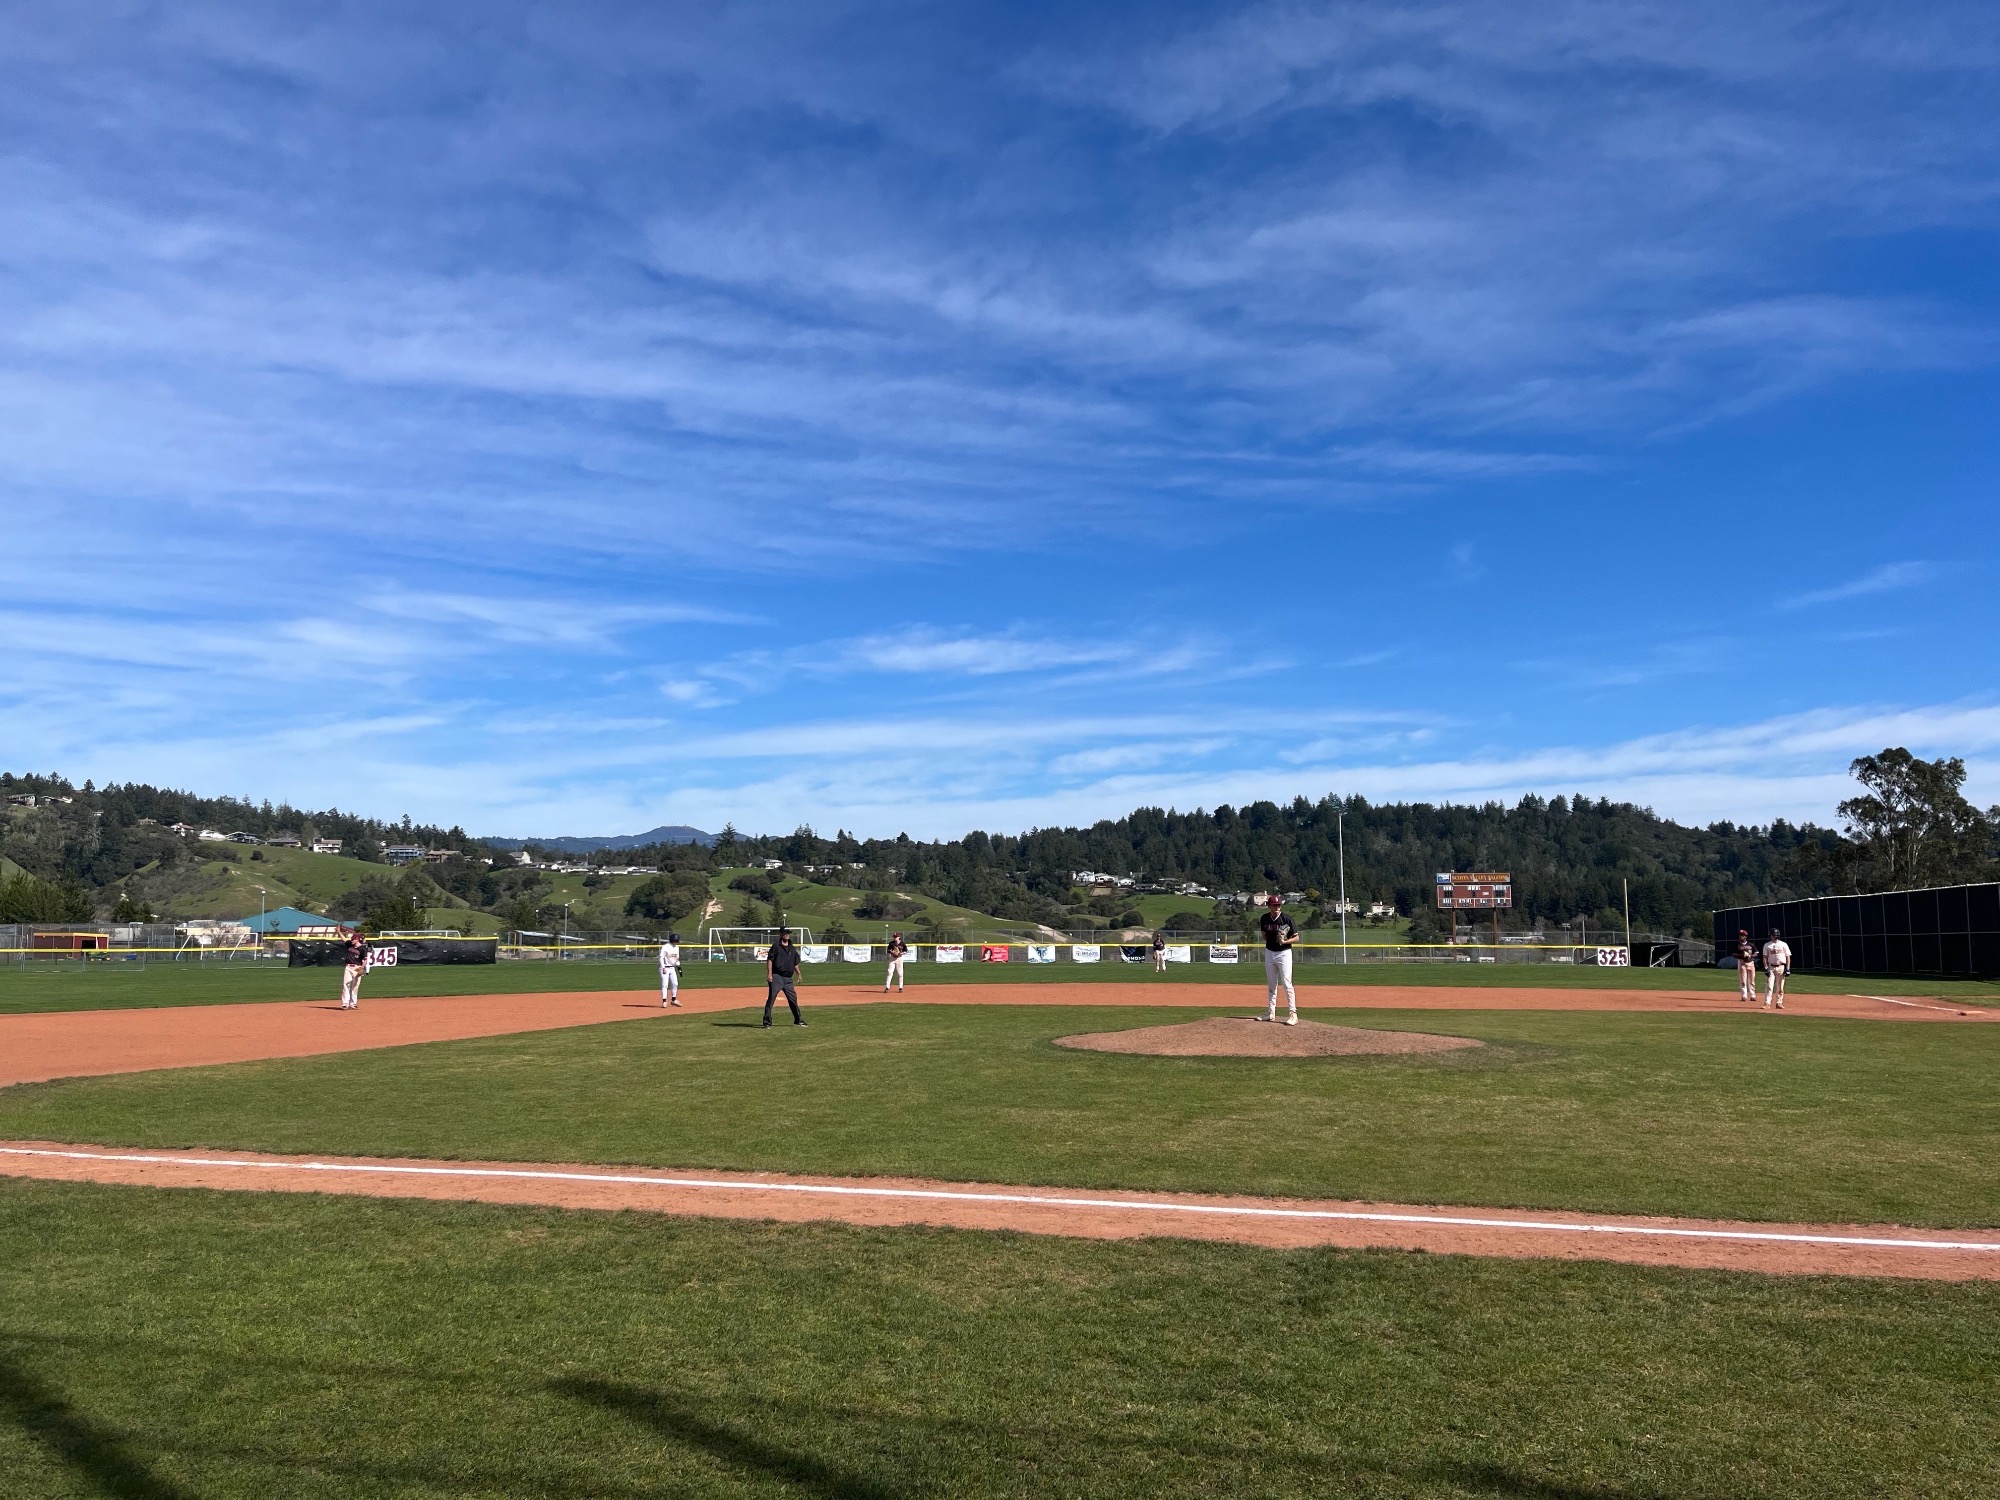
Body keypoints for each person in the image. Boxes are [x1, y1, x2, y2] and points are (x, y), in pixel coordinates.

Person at [1258, 894, 1299, 1025]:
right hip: (1270, 952)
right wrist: (1272, 942)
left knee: (1287, 984)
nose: (1277, 907)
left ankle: (1293, 1014)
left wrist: (1285, 941)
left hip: (1284, 953)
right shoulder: (1264, 918)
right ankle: (1271, 1013)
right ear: (1269, 906)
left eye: (1278, 905)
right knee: (1271, 985)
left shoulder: (1286, 919)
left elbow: (1297, 938)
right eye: (1274, 905)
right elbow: (1264, 935)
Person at [765, 928, 807, 1027]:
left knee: (793, 999)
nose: (787, 935)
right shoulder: (776, 946)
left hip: (788, 979)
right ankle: (767, 1022)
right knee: (771, 999)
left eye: (788, 933)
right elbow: (770, 960)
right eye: (785, 933)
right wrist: (769, 974)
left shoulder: (791, 948)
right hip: (777, 976)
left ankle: (798, 1020)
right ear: (781, 934)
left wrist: (799, 974)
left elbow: (795, 963)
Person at [1762, 927, 1793, 1010]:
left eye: (1775, 935)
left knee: (1780, 987)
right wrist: (1765, 968)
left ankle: (1779, 1003)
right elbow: (1765, 957)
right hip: (1771, 967)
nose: (1774, 936)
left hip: (1781, 967)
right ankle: (1767, 1003)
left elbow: (1788, 957)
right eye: (1773, 935)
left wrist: (1788, 968)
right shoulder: (1767, 945)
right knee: (1769, 986)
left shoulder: (1783, 944)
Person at [338, 928, 367, 1011]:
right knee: (346, 984)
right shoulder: (349, 945)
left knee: (355, 986)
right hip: (348, 967)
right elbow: (343, 939)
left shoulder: (362, 949)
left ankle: (353, 1004)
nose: (351, 940)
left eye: (353, 939)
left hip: (357, 968)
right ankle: (345, 1004)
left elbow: (365, 959)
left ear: (357, 939)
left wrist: (362, 967)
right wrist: (339, 931)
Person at [659, 931, 682, 1007]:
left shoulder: (677, 948)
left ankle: (673, 1000)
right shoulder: (665, 947)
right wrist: (663, 967)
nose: (676, 942)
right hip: (665, 968)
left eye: (676, 941)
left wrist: (679, 968)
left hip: (672, 968)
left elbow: (676, 959)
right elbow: (661, 957)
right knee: (665, 984)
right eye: (674, 940)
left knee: (675, 983)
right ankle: (664, 1001)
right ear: (671, 940)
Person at [1734, 928, 1757, 1003]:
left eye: (1742, 935)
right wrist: (1742, 956)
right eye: (1740, 935)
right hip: (1742, 963)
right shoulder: (1737, 945)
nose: (1741, 937)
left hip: (1750, 963)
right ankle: (1744, 995)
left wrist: (1751, 956)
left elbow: (1756, 953)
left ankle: (1753, 995)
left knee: (1752, 980)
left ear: (1746, 936)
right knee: (1743, 980)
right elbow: (1733, 954)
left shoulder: (1751, 944)